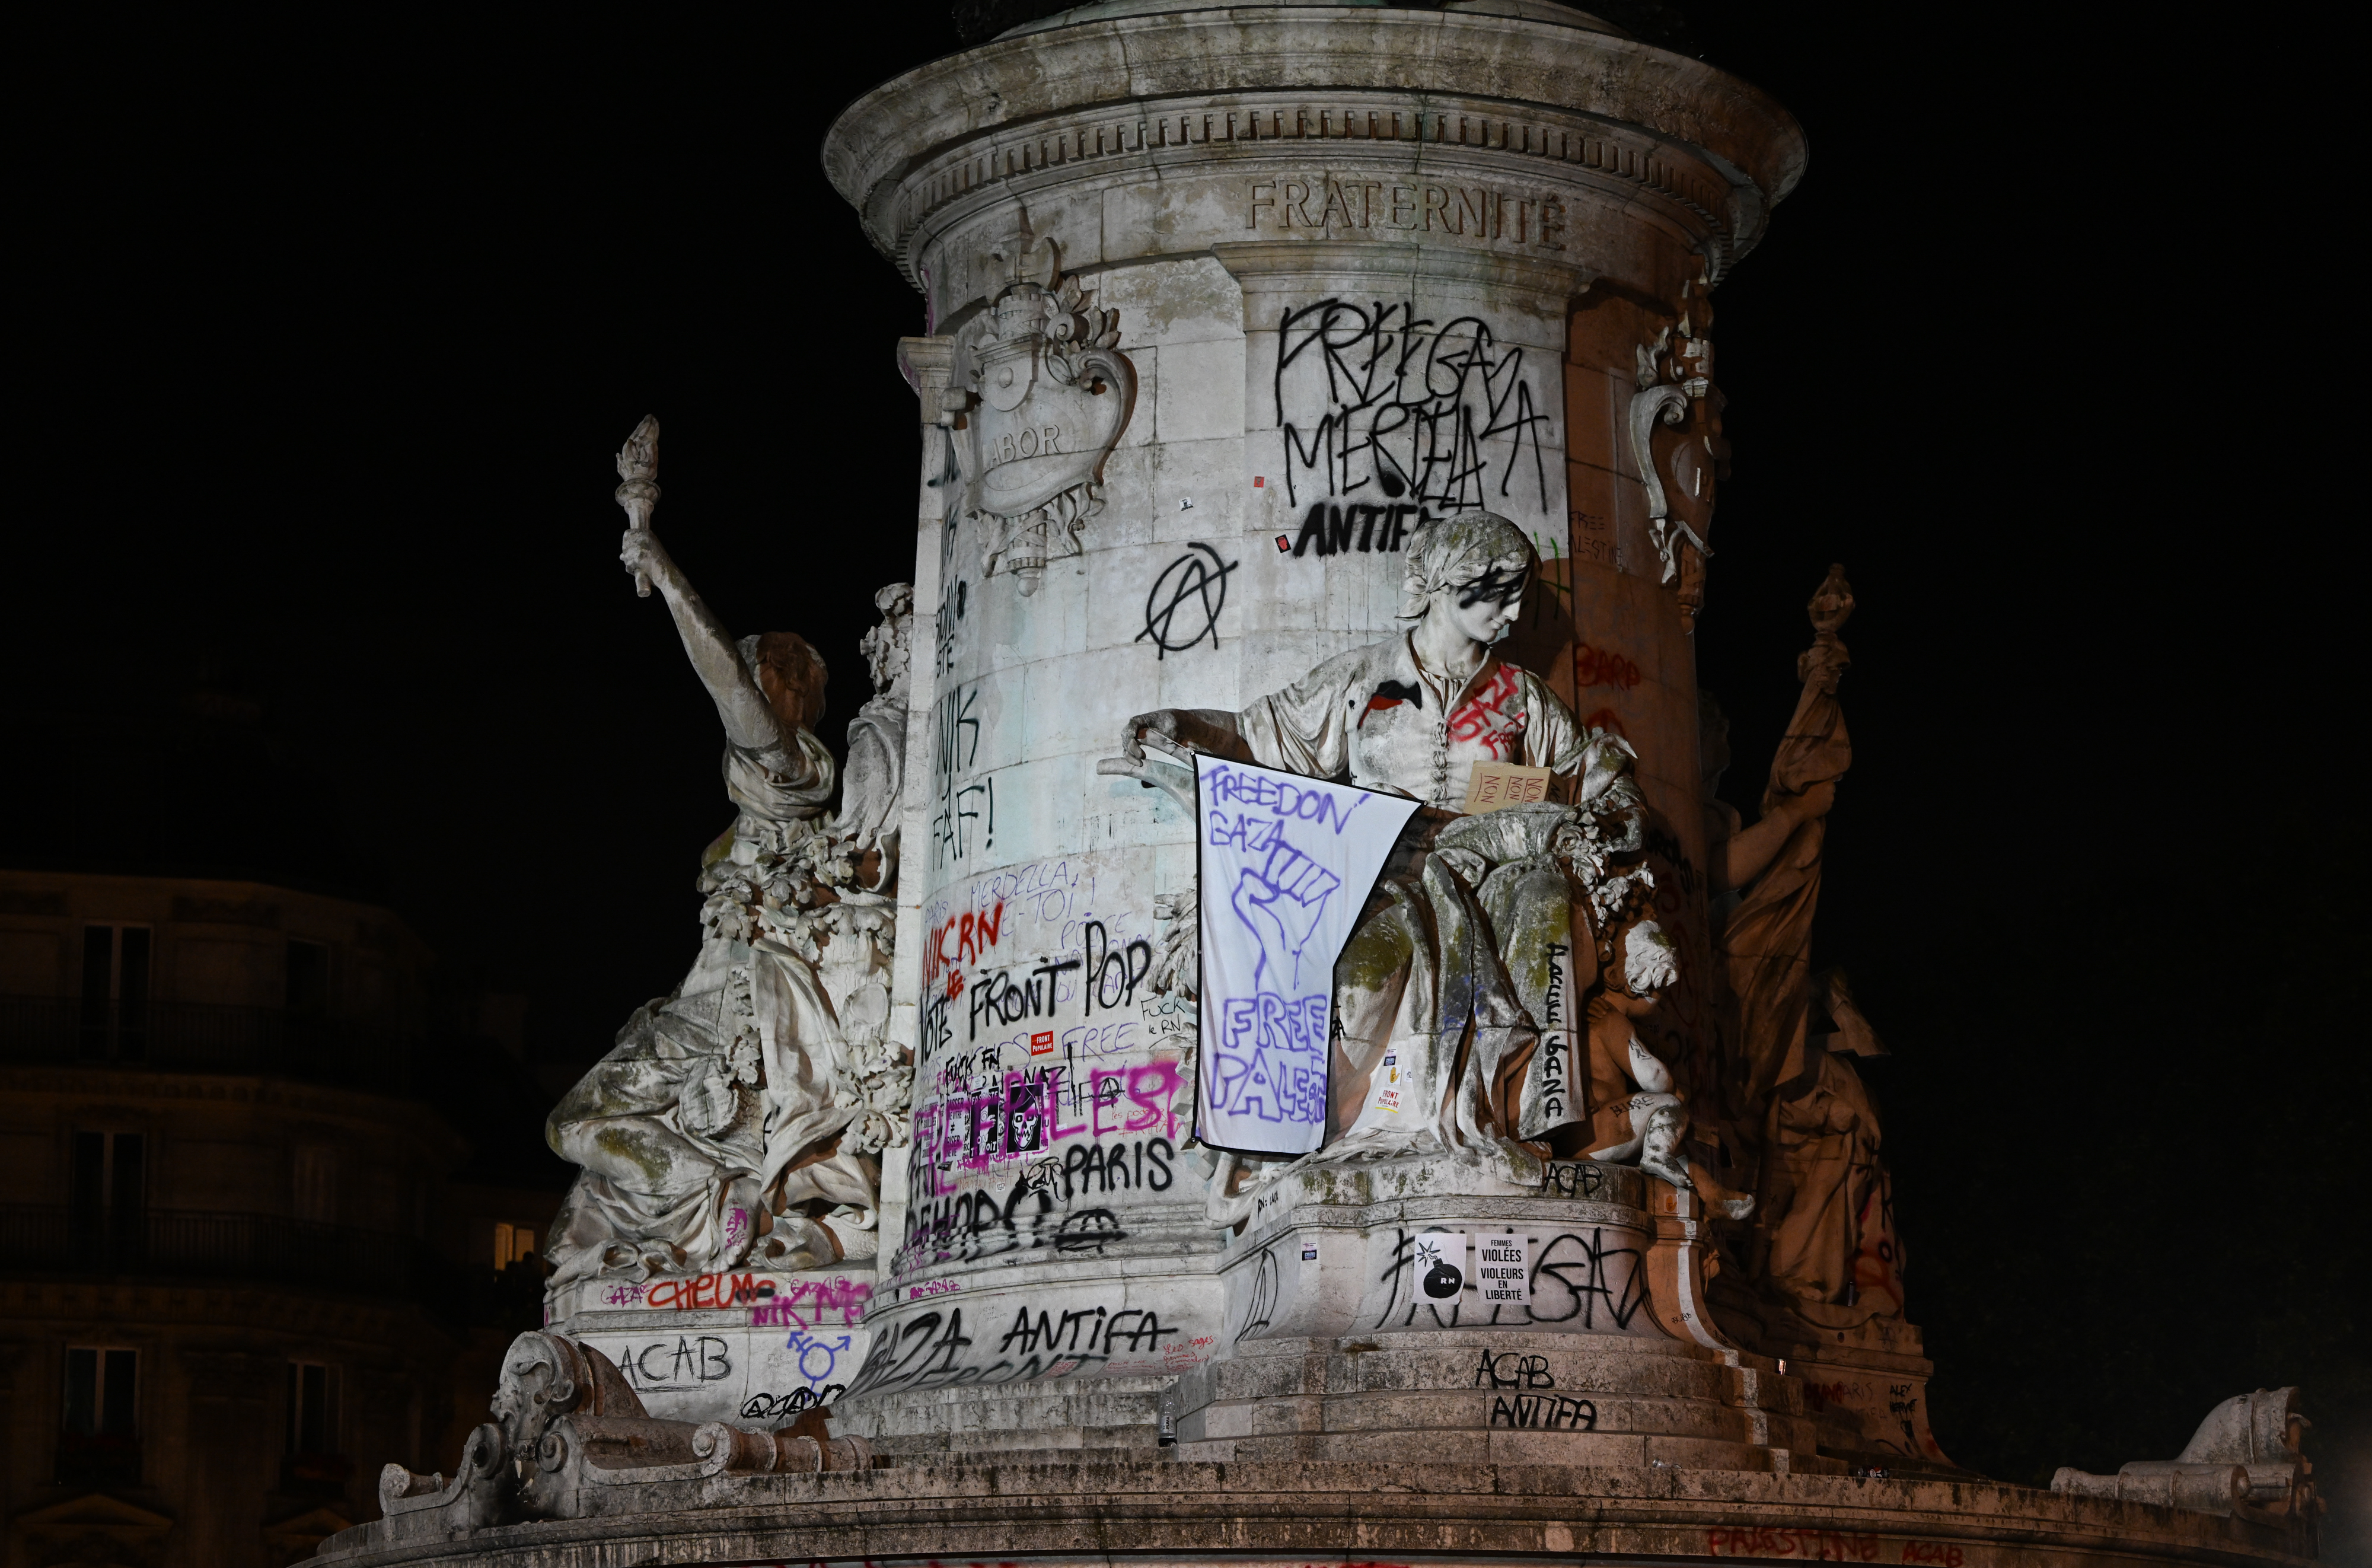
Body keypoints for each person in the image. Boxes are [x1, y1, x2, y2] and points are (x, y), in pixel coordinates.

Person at [1104, 511, 1684, 1184]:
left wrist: (1612, 812)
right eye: (1499, 592)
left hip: (1495, 867)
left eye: (1520, 592)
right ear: (1444, 584)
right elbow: (1260, 736)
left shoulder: (1523, 698)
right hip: (1380, 867)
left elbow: (1601, 781)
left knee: (1542, 900)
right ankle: (1300, 1131)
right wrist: (1183, 725)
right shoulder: (1365, 678)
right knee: (1361, 978)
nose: (1516, 611)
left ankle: (1536, 1125)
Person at [542, 527, 883, 1292]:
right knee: (576, 1131)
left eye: (764, 669)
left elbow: (724, 682)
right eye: (756, 665)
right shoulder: (761, 803)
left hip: (734, 1014)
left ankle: (711, 1192)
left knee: (573, 1124)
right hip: (699, 1007)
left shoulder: (786, 775)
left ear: (788, 688)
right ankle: (707, 1191)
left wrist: (665, 574)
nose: (751, 681)